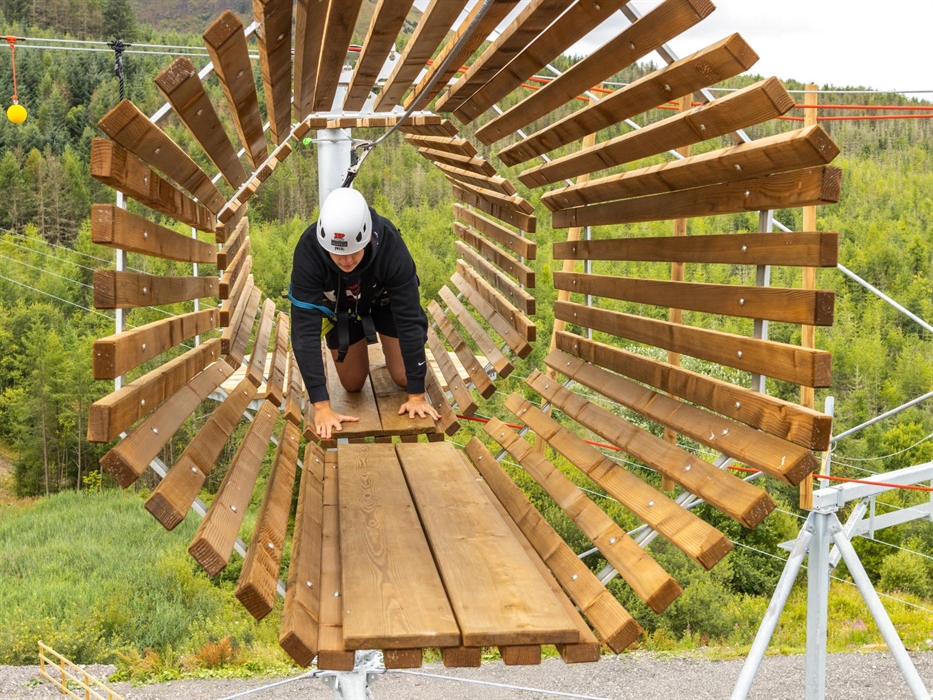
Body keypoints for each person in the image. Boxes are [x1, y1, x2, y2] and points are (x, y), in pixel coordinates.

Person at [289, 187, 440, 439]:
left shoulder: (390, 245)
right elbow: (304, 332)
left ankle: (399, 365)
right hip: (340, 310)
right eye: (338, 253)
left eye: (353, 251)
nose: (346, 261)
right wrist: (321, 406)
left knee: (405, 377)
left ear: (368, 238)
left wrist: (416, 394)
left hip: (384, 302)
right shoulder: (309, 252)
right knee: (352, 384)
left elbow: (410, 319)